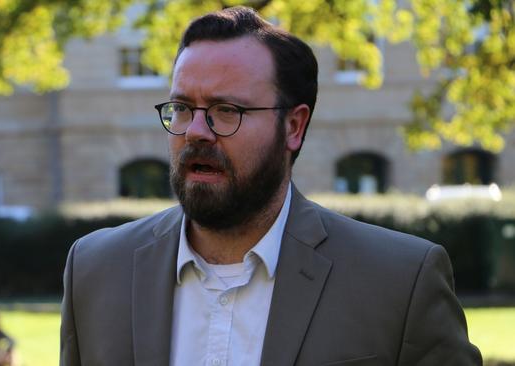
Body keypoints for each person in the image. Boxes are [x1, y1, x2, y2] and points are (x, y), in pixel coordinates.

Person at [60, 6, 482, 366]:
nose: (196, 132)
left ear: (293, 127)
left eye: (227, 110)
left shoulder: (400, 281)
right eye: (183, 108)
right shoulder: (95, 270)